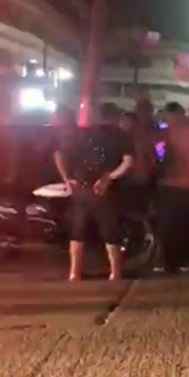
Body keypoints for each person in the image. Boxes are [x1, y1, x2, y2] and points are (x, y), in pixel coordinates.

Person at [53, 102, 134, 281]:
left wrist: (67, 178)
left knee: (78, 230)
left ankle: (74, 273)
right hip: (105, 189)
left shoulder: (75, 134)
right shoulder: (119, 135)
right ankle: (116, 273)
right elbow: (128, 163)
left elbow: (58, 155)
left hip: (81, 188)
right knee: (109, 230)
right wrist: (109, 177)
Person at [157, 102, 189, 273]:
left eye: (167, 115)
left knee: (169, 225)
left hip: (172, 182)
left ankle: (170, 263)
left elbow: (163, 155)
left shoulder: (168, 131)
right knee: (187, 224)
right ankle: (187, 260)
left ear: (173, 114)